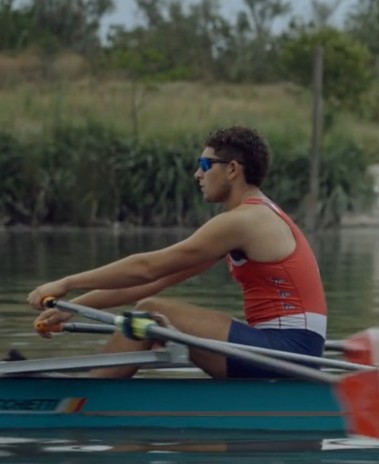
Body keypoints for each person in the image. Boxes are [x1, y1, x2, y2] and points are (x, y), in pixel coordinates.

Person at [26, 126, 328, 379]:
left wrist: (66, 283)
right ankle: (91, 392)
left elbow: (147, 267)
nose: (197, 174)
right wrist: (72, 307)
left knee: (151, 313)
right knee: (151, 314)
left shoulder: (246, 220)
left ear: (233, 169)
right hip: (285, 349)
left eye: (205, 164)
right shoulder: (252, 218)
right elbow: (156, 280)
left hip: (287, 352)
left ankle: (82, 400)